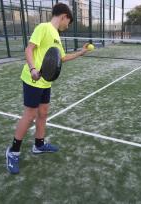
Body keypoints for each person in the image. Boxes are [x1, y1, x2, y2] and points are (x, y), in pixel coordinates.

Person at [6, 3, 89, 174]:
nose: (68, 26)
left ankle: (39, 144)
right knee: (30, 115)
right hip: (33, 79)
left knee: (43, 114)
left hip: (45, 82)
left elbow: (62, 58)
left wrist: (81, 53)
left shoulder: (56, 36)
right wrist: (32, 69)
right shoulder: (44, 27)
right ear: (64, 16)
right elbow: (29, 49)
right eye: (69, 22)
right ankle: (13, 151)